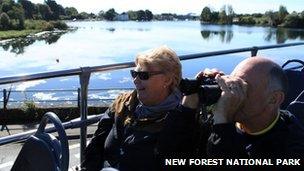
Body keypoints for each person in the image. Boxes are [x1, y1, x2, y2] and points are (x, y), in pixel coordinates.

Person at [81, 46, 198, 171]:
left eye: (143, 75)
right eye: (134, 74)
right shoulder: (122, 104)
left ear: (168, 80)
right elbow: (95, 147)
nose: (135, 80)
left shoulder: (183, 117)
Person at [183, 57, 304, 169]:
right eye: (231, 82)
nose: (231, 93)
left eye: (241, 87)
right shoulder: (218, 115)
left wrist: (223, 125)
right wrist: (188, 106)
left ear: (274, 99)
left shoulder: (292, 149)